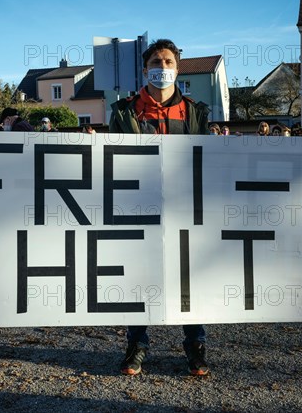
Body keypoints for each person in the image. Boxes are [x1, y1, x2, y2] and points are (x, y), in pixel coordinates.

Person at [109, 38, 209, 376]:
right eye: (156, 62)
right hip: (138, 206)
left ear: (178, 69)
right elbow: (108, 160)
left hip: (184, 208)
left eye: (168, 62)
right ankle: (136, 346)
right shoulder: (124, 111)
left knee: (189, 278)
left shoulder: (194, 112)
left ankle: (196, 346)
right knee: (138, 278)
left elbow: (207, 162)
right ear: (144, 68)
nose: (162, 68)